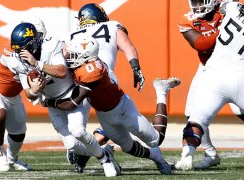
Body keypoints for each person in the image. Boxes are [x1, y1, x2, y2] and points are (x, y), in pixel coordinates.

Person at [43, 36, 182, 175]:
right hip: (104, 115)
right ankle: (156, 157)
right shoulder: (84, 63)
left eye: (73, 55)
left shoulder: (91, 71)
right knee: (128, 147)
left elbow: (70, 104)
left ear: (85, 58)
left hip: (122, 108)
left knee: (156, 140)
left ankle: (161, 90)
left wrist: (48, 102)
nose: (69, 58)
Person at [18, 20, 121, 177]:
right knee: (72, 145)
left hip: (72, 92)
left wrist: (37, 64)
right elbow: (29, 94)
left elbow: (61, 72)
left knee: (78, 131)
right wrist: (35, 90)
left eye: (25, 46)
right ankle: (104, 151)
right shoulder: (18, 59)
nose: (22, 51)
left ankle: (104, 159)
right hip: (52, 102)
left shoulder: (51, 45)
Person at [63, 2, 145, 172]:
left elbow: (63, 64)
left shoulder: (70, 35)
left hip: (78, 82)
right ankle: (99, 147)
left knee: (76, 134)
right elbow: (128, 47)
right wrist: (136, 67)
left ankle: (90, 151)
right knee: (114, 118)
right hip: (102, 78)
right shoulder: (112, 25)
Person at [174, 1, 244, 171]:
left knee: (238, 110)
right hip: (209, 67)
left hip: (231, 66)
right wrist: (222, 31)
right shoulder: (189, 18)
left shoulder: (226, 8)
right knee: (192, 111)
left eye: (202, 1)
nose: (198, 6)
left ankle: (189, 152)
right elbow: (200, 45)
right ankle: (210, 153)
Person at [0, 21, 46, 172]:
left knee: (19, 133)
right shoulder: (13, 57)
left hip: (12, 97)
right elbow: (29, 94)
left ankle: (12, 159)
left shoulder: (42, 47)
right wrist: (36, 91)